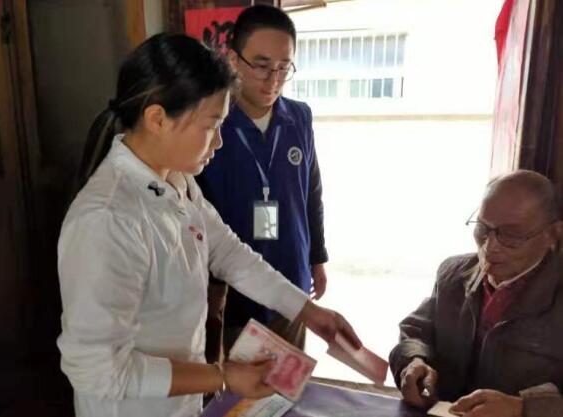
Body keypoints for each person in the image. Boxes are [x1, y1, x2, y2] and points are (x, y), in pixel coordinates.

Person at [57, 33, 361, 417]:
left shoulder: (177, 182)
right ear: (157, 119)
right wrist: (222, 376)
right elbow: (98, 371)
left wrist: (307, 312)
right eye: (211, 125)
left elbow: (230, 254)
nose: (218, 142)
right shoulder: (106, 220)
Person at [196, 5, 328, 359]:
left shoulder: (298, 117)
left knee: (287, 381)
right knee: (236, 384)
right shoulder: (211, 123)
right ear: (233, 60)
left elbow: (311, 190)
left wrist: (317, 257)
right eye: (261, 65)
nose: (273, 79)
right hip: (231, 288)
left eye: (284, 67)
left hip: (291, 276)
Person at [389, 170, 563, 417]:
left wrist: (522, 407)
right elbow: (416, 332)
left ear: (553, 235)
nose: (490, 247)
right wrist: (414, 361)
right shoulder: (453, 274)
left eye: (512, 235)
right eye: (482, 228)